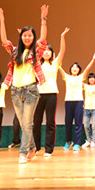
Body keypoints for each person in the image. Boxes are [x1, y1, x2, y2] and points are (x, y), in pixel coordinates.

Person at [0, 5, 49, 164]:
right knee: (23, 124)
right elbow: (4, 41)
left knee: (27, 123)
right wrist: (2, 20)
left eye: (30, 36)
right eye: (24, 35)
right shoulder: (15, 51)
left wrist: (43, 18)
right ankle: (32, 147)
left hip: (31, 91)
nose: (27, 38)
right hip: (15, 91)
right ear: (21, 37)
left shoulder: (36, 51)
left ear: (33, 37)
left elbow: (43, 38)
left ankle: (23, 152)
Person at [33, 28, 69, 157]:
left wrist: (62, 37)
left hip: (52, 95)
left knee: (50, 122)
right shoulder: (37, 64)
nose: (47, 52)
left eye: (49, 50)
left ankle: (48, 150)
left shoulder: (55, 63)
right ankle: (36, 147)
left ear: (52, 53)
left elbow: (62, 51)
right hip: (38, 95)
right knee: (36, 122)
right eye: (45, 50)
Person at [59, 53, 95, 152]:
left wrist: (93, 59)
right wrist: (54, 59)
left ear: (79, 70)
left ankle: (77, 143)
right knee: (68, 123)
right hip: (68, 102)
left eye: (76, 67)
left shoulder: (81, 77)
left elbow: (87, 69)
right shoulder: (67, 77)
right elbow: (59, 67)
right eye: (73, 67)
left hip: (78, 102)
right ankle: (68, 141)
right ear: (70, 69)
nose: (74, 68)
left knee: (78, 123)